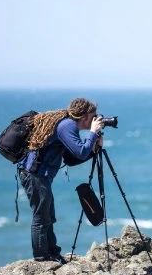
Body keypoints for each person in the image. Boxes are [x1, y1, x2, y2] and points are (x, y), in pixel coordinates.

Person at [18, 98, 103, 264]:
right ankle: (42, 256)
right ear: (84, 116)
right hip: (34, 174)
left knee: (48, 214)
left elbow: (71, 159)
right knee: (41, 216)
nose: (95, 120)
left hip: (38, 175)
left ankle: (53, 252)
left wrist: (93, 150)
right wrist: (92, 133)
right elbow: (80, 152)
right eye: (93, 117)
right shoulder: (67, 125)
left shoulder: (67, 125)